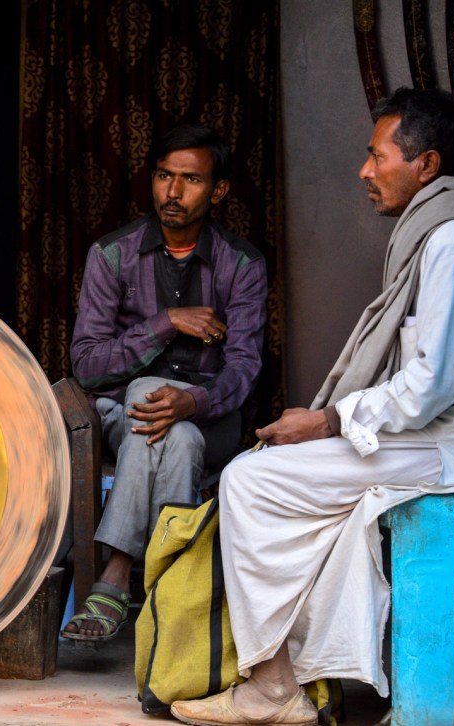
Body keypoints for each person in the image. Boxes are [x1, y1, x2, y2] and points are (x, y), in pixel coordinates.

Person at [170, 87, 454, 726]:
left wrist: (329, 421)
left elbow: (431, 385)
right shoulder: (431, 235)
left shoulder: (449, 242)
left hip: (444, 449)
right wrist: (331, 425)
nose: (364, 171)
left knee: (249, 480)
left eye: (376, 156)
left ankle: (274, 689)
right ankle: (302, 675)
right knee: (269, 469)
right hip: (423, 439)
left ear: (427, 166)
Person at [61, 125, 268, 641]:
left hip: (210, 418)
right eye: (163, 176)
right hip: (122, 414)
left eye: (191, 179)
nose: (172, 192)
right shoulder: (112, 255)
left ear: (218, 190)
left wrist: (193, 401)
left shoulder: (242, 264)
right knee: (152, 407)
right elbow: (87, 365)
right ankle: (167, 593)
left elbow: (244, 368)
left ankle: (113, 579)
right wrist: (166, 322)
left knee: (176, 430)